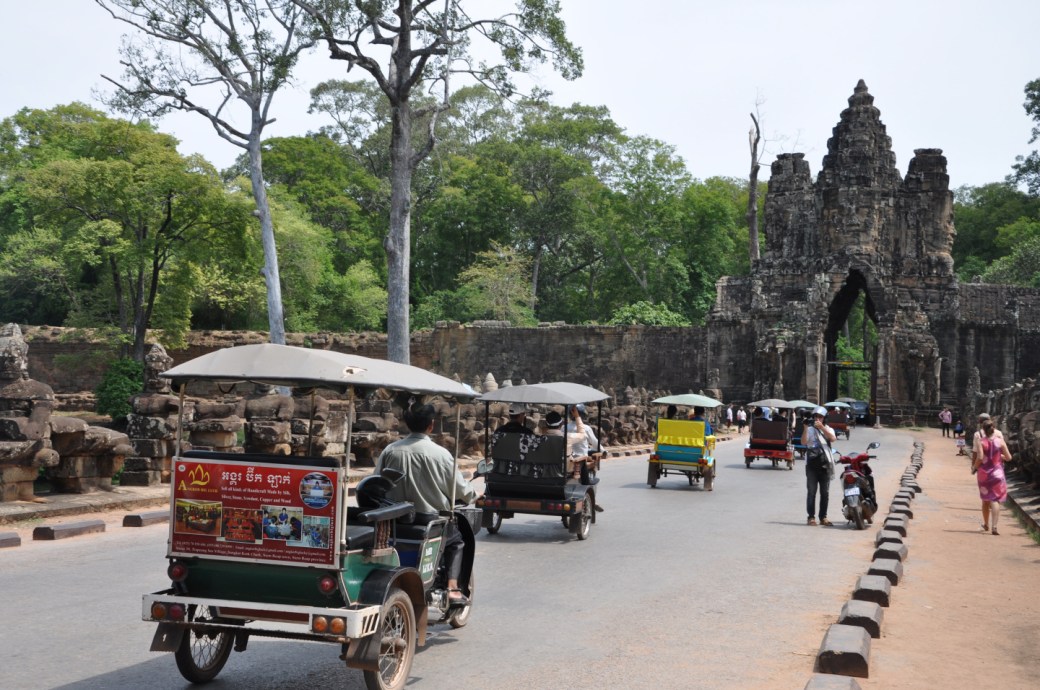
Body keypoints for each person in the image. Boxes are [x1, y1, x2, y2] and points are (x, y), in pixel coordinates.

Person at [376, 402, 477, 601]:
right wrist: (474, 495)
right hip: (430, 522)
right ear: (431, 425)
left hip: (394, 521)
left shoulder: (390, 450)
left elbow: (376, 481)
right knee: (457, 542)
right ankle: (452, 588)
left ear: (406, 424)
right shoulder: (441, 454)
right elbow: (460, 489)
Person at [972, 419, 1011, 535]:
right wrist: (1000, 457)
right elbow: (1009, 458)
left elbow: (980, 457)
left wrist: (974, 467)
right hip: (997, 473)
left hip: (984, 474)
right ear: (994, 428)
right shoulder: (1000, 441)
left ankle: (986, 524)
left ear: (983, 429)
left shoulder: (981, 441)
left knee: (985, 500)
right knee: (995, 500)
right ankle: (994, 526)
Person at [802, 406, 837, 526]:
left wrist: (822, 428)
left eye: (820, 417)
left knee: (825, 493)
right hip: (811, 464)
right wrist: (805, 428)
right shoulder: (810, 429)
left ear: (824, 418)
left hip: (825, 464)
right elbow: (803, 442)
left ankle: (823, 517)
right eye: (816, 416)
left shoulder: (828, 429)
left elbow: (833, 439)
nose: (818, 419)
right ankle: (811, 517)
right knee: (811, 492)